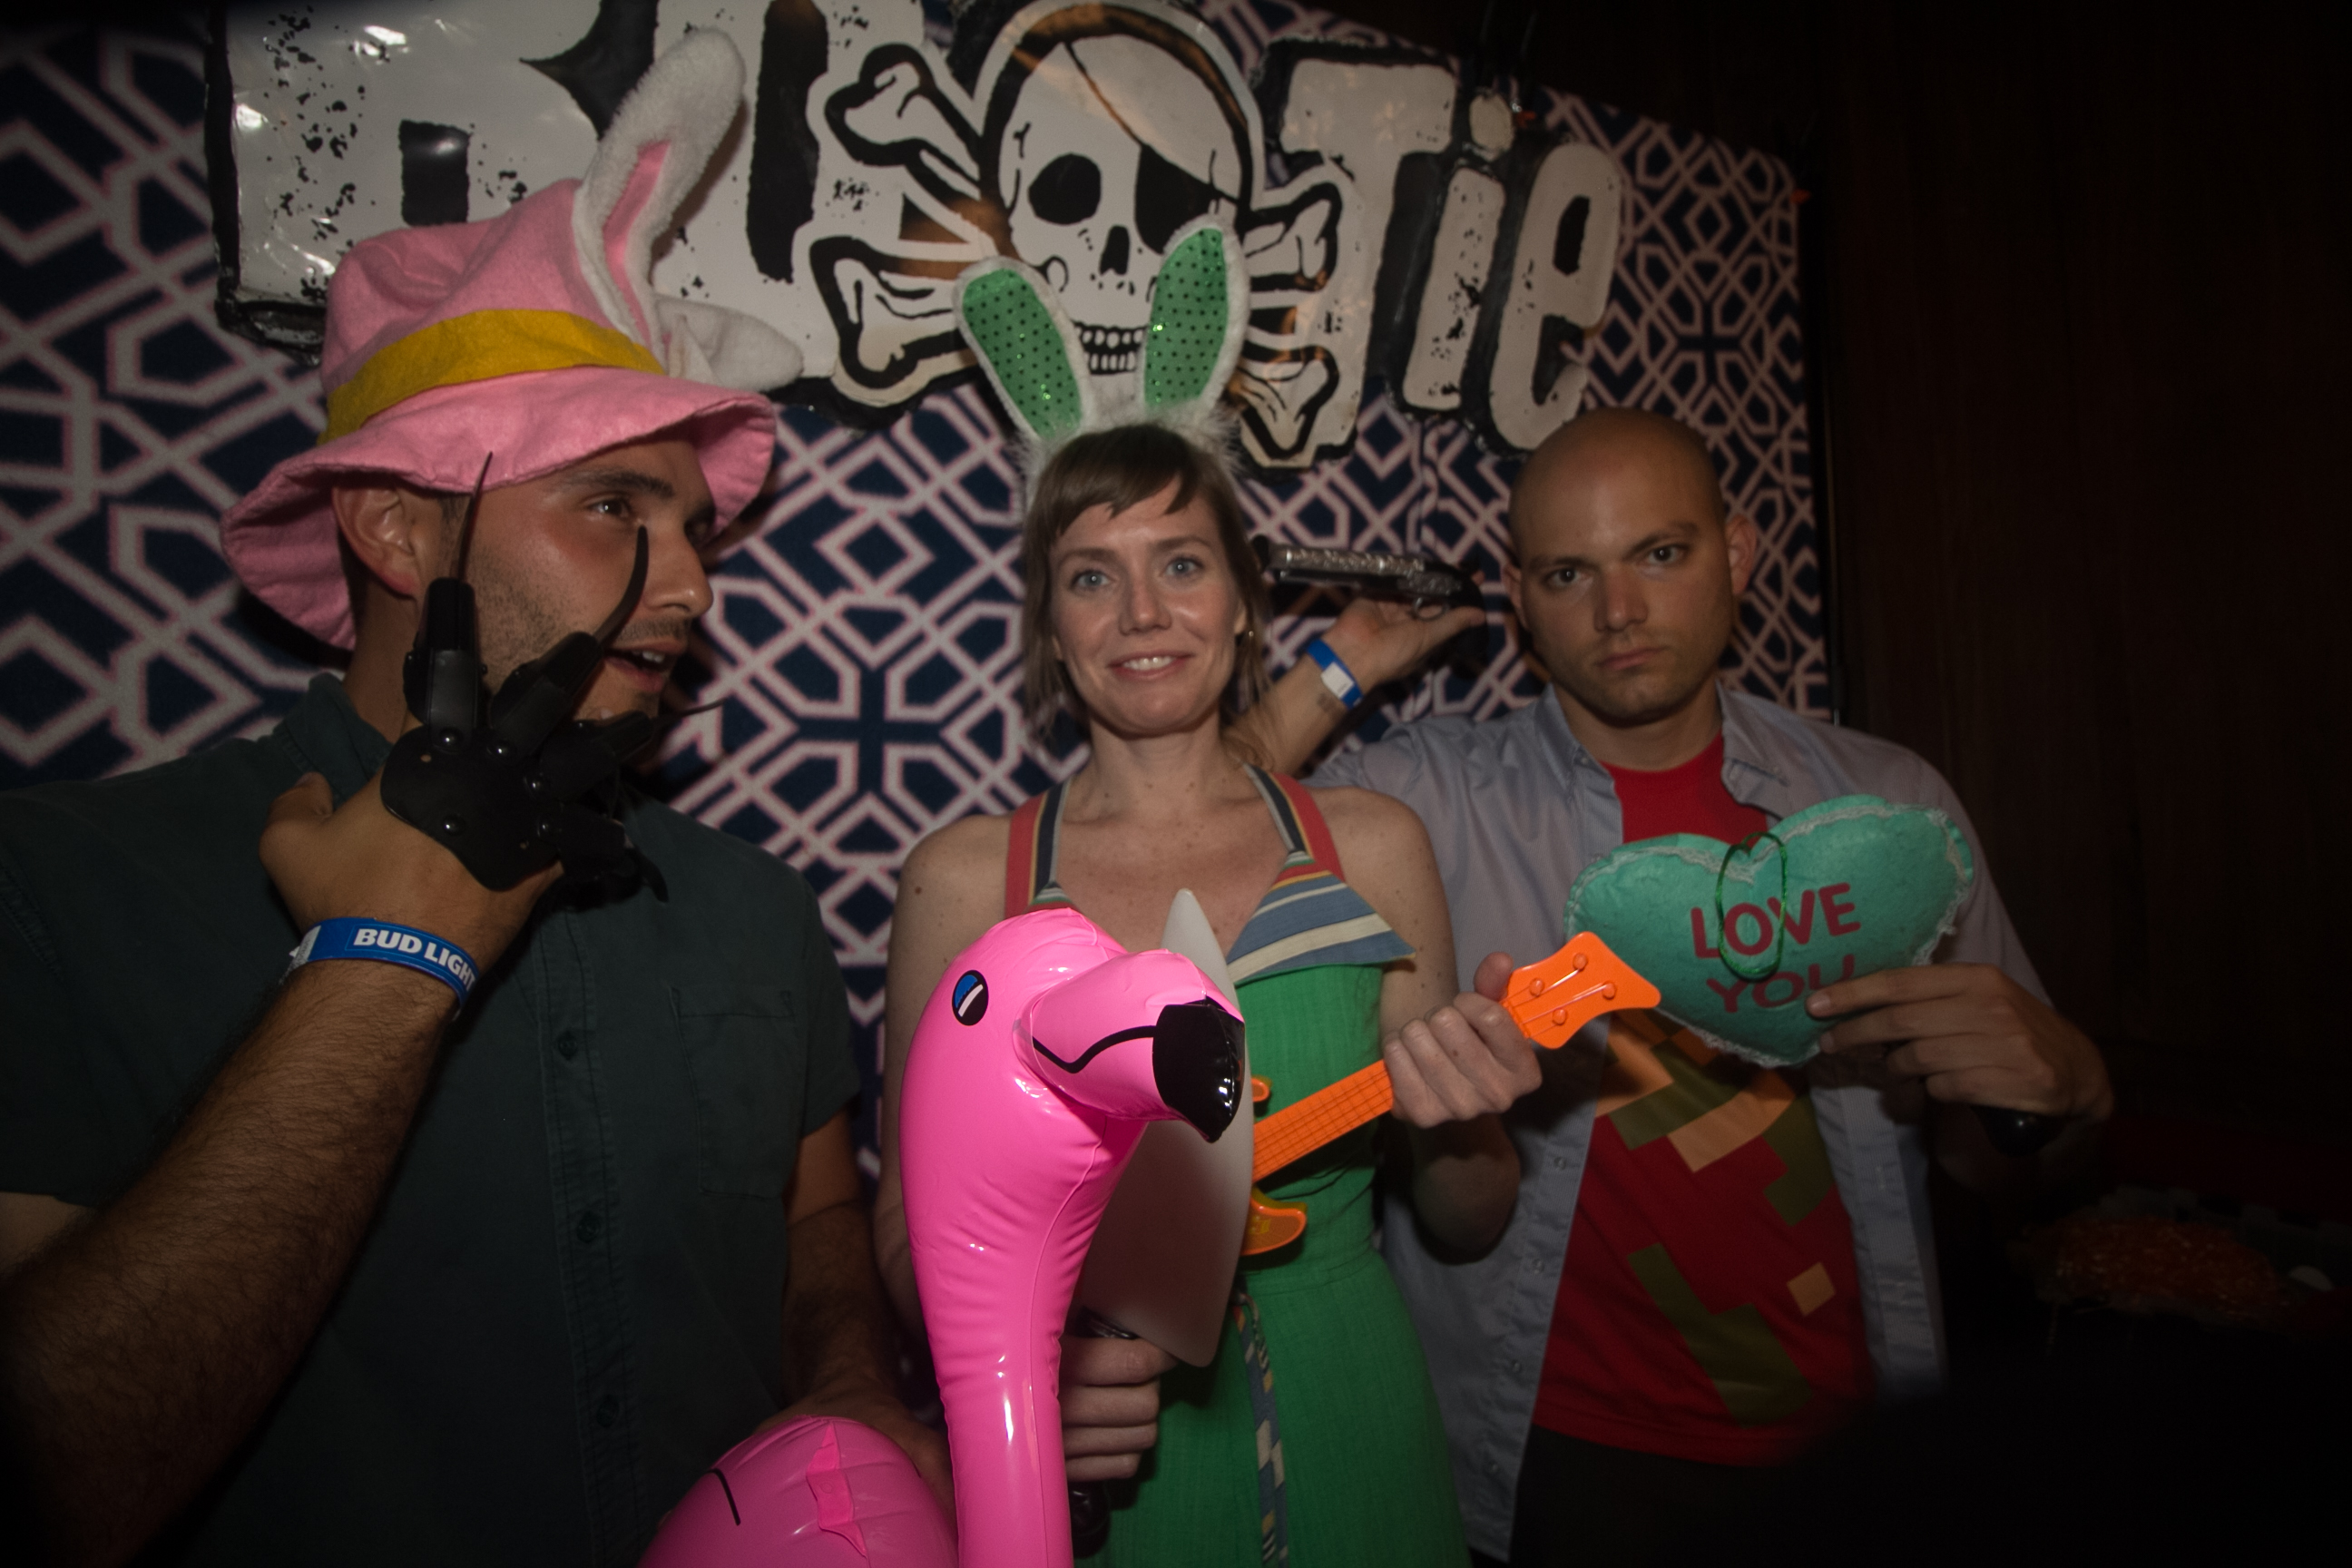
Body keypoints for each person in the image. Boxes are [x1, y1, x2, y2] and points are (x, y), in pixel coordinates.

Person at [0, 37, 936, 1566]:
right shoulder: (61, 890)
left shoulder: (755, 905)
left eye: (695, 529)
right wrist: (387, 961)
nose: (692, 585)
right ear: (392, 530)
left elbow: (816, 1225)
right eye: (613, 507)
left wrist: (851, 1395)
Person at [1238, 407, 2114, 1565]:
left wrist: (2073, 1086)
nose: (1619, 611)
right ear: (1520, 598)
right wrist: (1349, 659)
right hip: (1547, 1456)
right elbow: (1192, 821)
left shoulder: (1887, 813)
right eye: (1569, 573)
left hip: (1851, 1448)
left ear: (1737, 554)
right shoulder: (1433, 799)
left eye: (1660, 554)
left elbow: (1997, 1161)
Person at [876, 421, 1542, 1565]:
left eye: (1181, 563)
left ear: (1241, 603)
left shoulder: (1371, 847)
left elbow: (1465, 1219)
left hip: (1358, 1417)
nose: (1143, 612)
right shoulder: (965, 881)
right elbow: (908, 1226)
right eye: (1093, 577)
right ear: (1049, 625)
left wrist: (1470, 1118)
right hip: (1101, 1449)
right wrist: (1020, 1375)